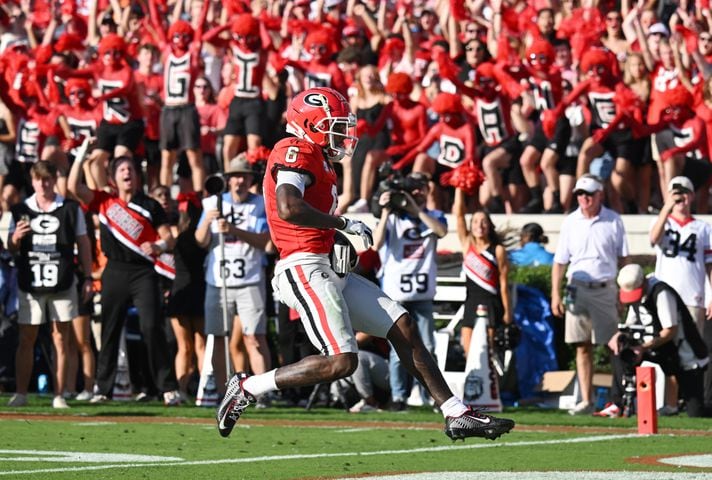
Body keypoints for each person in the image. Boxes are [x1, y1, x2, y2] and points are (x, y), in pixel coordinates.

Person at [216, 87, 514, 441]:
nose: (342, 134)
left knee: (402, 326)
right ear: (310, 124)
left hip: (326, 265)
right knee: (342, 362)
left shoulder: (318, 157)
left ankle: (455, 412)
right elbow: (288, 207)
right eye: (334, 126)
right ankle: (249, 386)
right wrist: (342, 224)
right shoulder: (293, 149)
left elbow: (305, 215)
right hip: (302, 267)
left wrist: (336, 238)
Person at [67, 140, 181, 405]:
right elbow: (73, 188)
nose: (127, 174)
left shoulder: (150, 205)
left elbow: (169, 239)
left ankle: (165, 388)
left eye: (131, 170)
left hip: (144, 273)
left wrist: (158, 245)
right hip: (115, 271)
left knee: (152, 327)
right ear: (113, 178)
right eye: (122, 170)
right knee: (110, 330)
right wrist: (82, 152)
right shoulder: (105, 201)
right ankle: (103, 390)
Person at [6, 161, 93, 408]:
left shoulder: (70, 208)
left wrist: (87, 277)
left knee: (60, 338)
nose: (43, 185)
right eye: (38, 179)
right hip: (30, 281)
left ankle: (59, 394)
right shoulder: (20, 209)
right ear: (32, 181)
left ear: (54, 179)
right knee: (26, 337)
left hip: (62, 280)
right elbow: (10, 246)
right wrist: (15, 238)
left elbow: (83, 242)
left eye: (47, 179)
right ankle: (21, 393)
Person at [551, 174, 629, 415]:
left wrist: (623, 292)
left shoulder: (613, 220)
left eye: (588, 194)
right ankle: (587, 399)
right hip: (578, 287)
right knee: (582, 346)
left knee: (613, 345)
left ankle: (619, 399)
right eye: (580, 194)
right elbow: (560, 261)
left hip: (605, 288)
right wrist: (555, 293)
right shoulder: (570, 221)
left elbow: (623, 259)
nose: (583, 198)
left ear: (599, 195)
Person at [195, 157, 272, 398]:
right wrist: (209, 219)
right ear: (228, 180)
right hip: (218, 280)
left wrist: (234, 230)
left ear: (250, 180)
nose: (239, 181)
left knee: (254, 337)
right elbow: (200, 240)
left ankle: (262, 393)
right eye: (235, 176)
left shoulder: (260, 205)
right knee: (218, 337)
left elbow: (267, 243)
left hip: (249, 278)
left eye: (244, 176)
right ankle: (222, 393)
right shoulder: (212, 203)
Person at [371, 172, 447, 410]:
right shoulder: (393, 219)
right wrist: (385, 210)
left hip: (423, 294)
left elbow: (441, 231)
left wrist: (416, 210)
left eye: (420, 189)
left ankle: (435, 397)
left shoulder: (433, 216)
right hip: (397, 294)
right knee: (397, 350)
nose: (416, 193)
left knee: (429, 348)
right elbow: (376, 244)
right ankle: (399, 397)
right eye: (411, 190)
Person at [599, 264, 710, 417]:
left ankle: (686, 407)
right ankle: (618, 403)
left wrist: (642, 348)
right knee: (619, 349)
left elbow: (670, 331)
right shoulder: (637, 296)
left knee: (696, 412)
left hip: (683, 353)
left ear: (644, 282)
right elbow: (631, 324)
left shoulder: (661, 293)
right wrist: (618, 335)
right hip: (656, 347)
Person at [649, 176, 712, 413]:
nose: (681, 197)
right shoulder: (663, 223)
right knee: (669, 352)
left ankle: (692, 402)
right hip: (666, 297)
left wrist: (711, 295)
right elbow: (653, 239)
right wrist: (666, 207)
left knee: (692, 354)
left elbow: (709, 265)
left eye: (685, 192)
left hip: (693, 295)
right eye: (676, 192)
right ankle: (670, 403)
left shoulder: (703, 228)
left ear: (693, 195)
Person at [453, 188, 511, 358]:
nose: (480, 225)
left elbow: (504, 284)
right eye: (476, 221)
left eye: (484, 221)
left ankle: (490, 384)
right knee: (469, 352)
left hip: (491, 304)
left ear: (489, 226)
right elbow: (459, 215)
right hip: (471, 303)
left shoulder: (498, 250)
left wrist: (508, 312)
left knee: (487, 353)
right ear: (471, 226)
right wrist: (459, 186)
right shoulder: (467, 245)